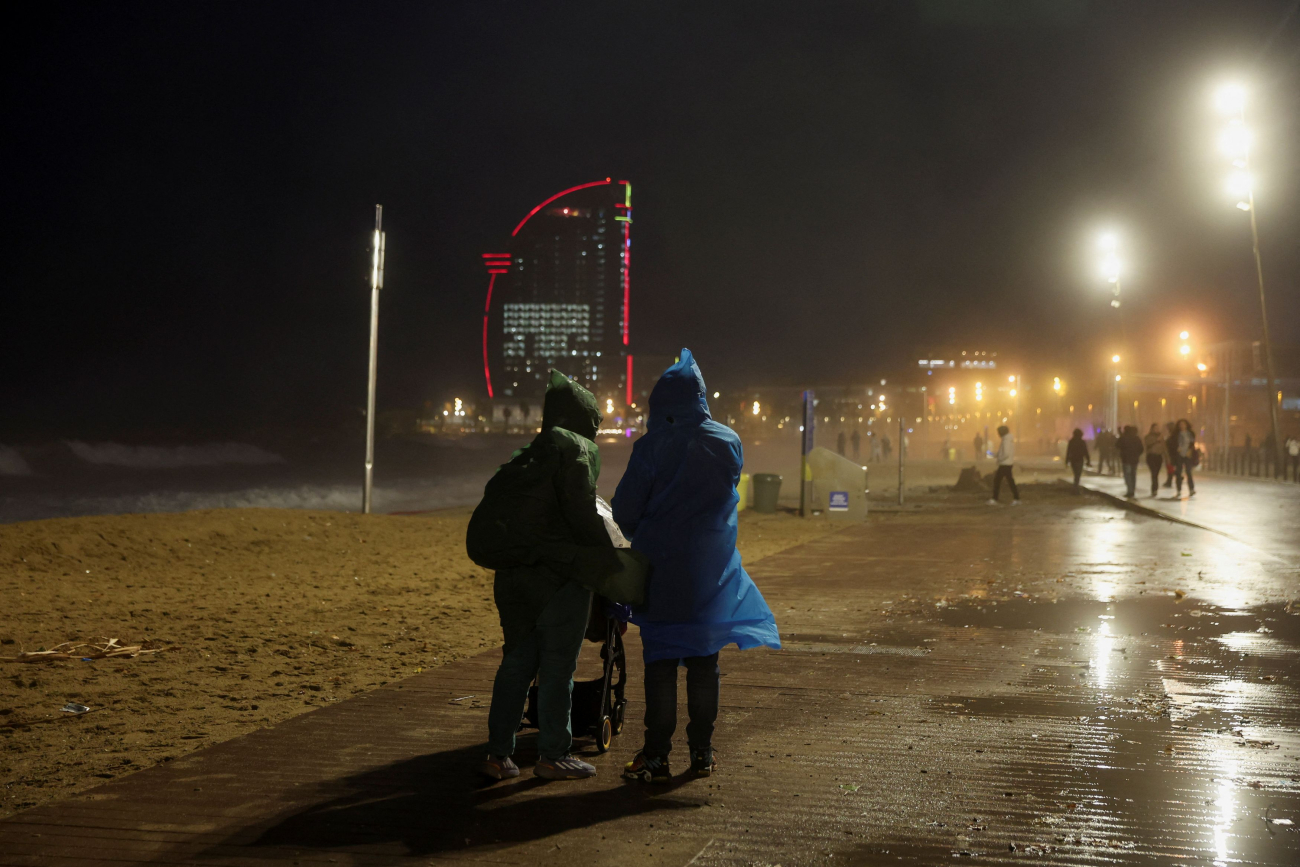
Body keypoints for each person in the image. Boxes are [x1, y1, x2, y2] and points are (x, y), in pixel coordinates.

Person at [614, 350, 781, 782]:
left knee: (662, 665)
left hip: (662, 572)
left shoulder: (650, 448)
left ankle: (656, 756)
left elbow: (626, 510)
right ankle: (703, 752)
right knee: (705, 663)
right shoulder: (727, 441)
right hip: (713, 570)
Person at [467, 370, 618, 781]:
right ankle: (554, 754)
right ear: (584, 417)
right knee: (557, 668)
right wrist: (611, 557)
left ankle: (498, 754)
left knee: (516, 661)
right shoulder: (577, 449)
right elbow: (582, 513)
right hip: (555, 579)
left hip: (511, 576)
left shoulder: (526, 455)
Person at [986, 424, 1020, 505]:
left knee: (998, 481)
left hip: (1005, 464)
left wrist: (998, 459)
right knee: (1009, 481)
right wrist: (992, 454)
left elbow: (1005, 454)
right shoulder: (1007, 440)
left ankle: (995, 499)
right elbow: (1002, 453)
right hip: (1007, 464)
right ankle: (1016, 498)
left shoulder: (1006, 441)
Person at [1117, 424, 1144, 499]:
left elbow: (1117, 445)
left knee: (1127, 475)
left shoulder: (1124, 438)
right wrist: (1136, 454)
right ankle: (1132, 490)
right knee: (1133, 475)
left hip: (1126, 460)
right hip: (1134, 460)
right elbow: (1141, 449)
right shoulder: (1136, 438)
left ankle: (1130, 490)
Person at [1173, 418, 1196, 497]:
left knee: (1189, 472)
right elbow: (1172, 443)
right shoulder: (1176, 434)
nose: (1182, 426)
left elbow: (1192, 443)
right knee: (1178, 473)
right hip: (1179, 455)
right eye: (1180, 424)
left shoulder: (1190, 434)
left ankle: (1191, 489)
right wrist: (1176, 449)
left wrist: (1190, 451)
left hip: (1187, 455)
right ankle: (1179, 490)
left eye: (1183, 424)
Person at [1143, 423, 1167, 497]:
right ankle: (1154, 489)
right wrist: (1156, 440)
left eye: (1157, 428)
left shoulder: (1161, 437)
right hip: (1151, 456)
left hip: (1158, 457)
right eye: (1155, 428)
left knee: (1156, 473)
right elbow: (1147, 444)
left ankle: (1155, 488)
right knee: (1154, 473)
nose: (1156, 429)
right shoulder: (1148, 437)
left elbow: (1164, 447)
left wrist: (1166, 457)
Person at [1163, 422, 1178, 489]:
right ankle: (1169, 480)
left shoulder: (1174, 435)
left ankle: (1171, 480)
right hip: (1171, 453)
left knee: (1170, 467)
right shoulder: (1171, 435)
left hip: (1173, 453)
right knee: (1170, 467)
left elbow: (1172, 444)